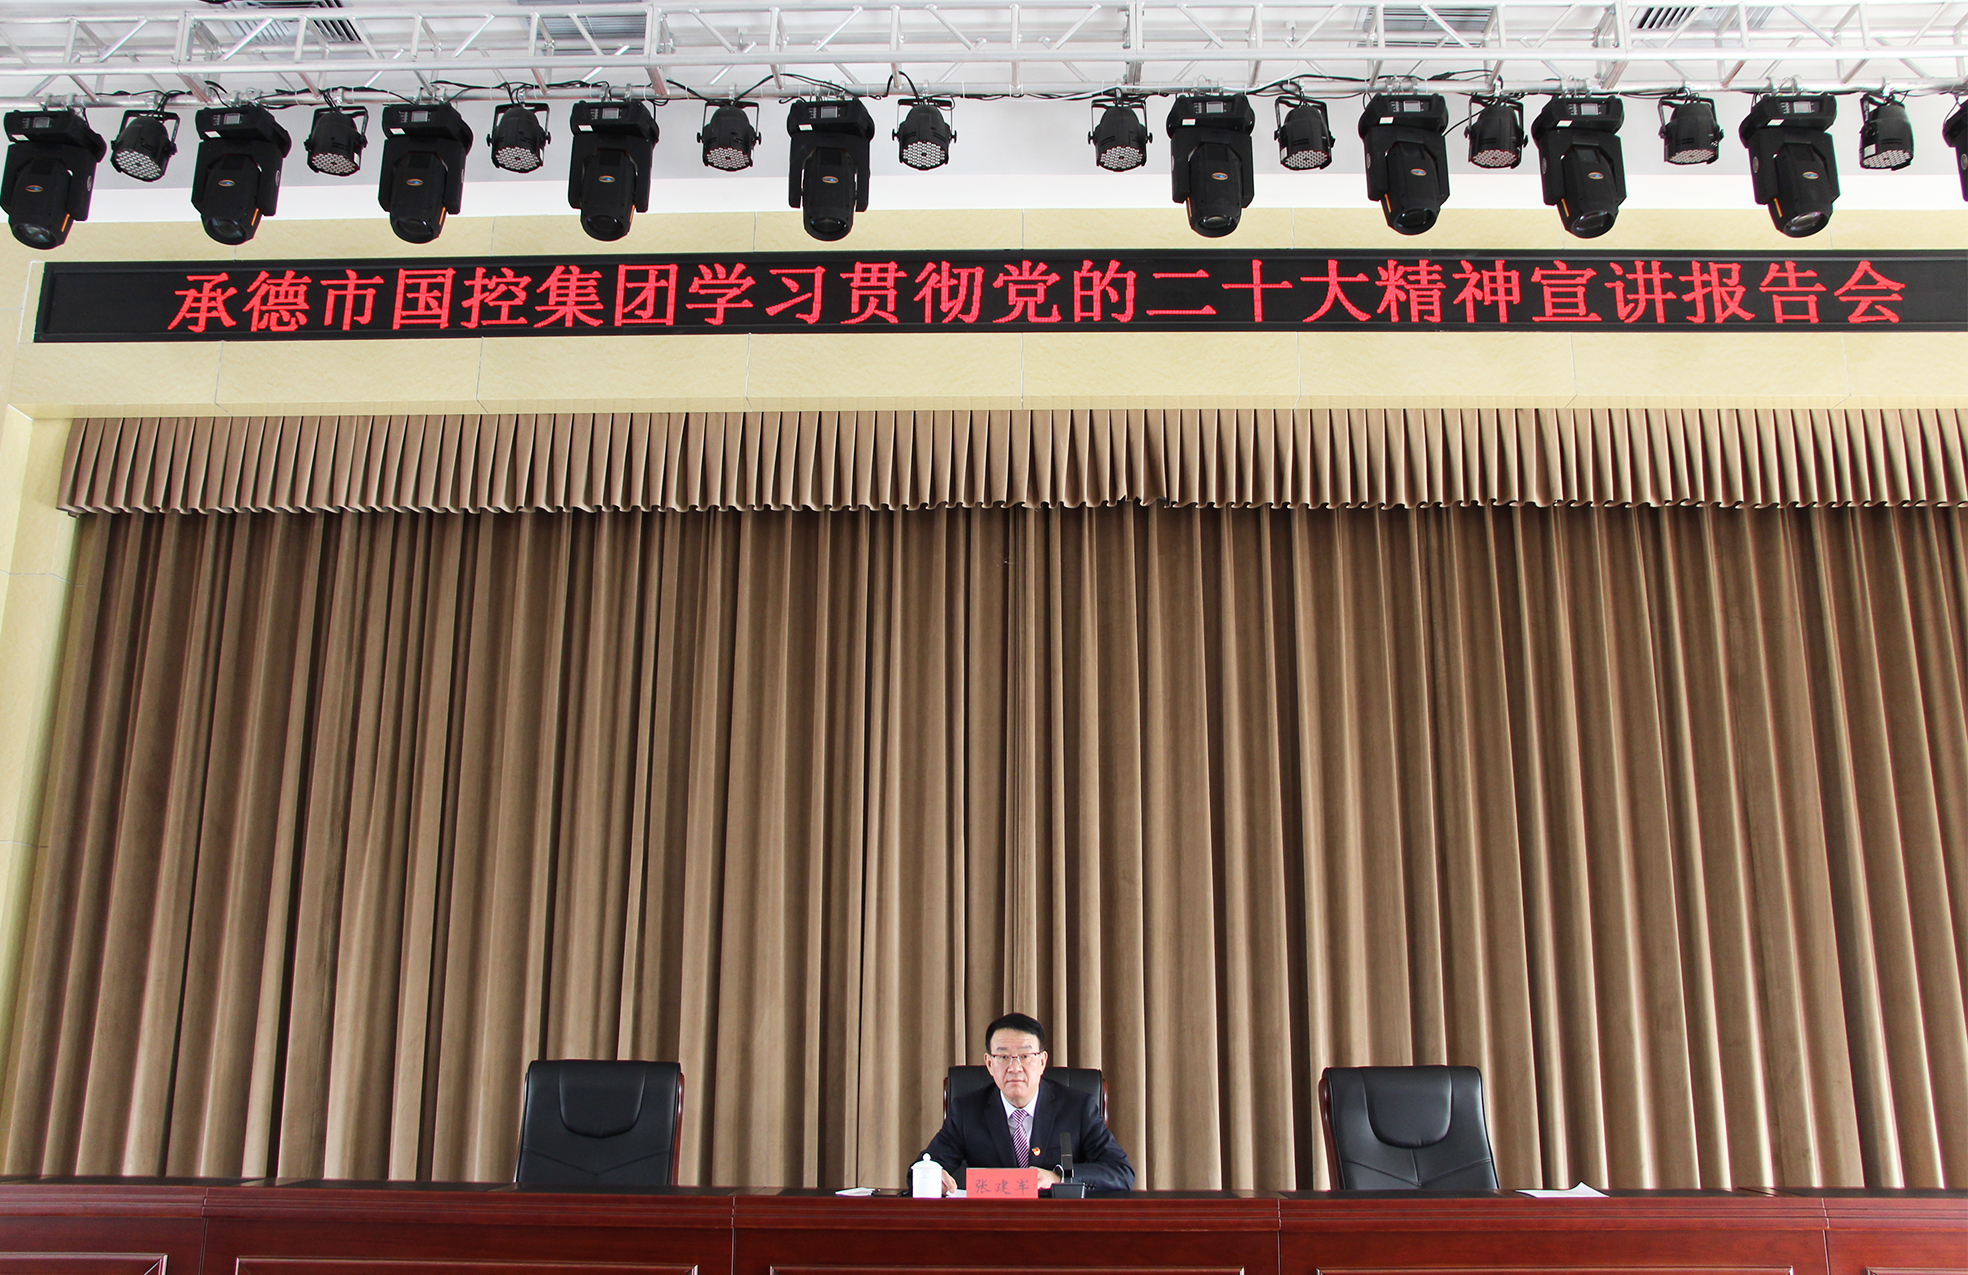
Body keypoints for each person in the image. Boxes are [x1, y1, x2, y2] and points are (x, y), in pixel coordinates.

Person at [918, 1012, 1134, 1193]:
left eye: (1025, 1056)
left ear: (1042, 1061)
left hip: (1057, 1223)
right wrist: (932, 1177)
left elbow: (1120, 1172)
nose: (1015, 1068)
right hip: (991, 1223)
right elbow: (922, 1168)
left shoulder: (1077, 1108)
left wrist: (1059, 1178)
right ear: (989, 1063)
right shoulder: (967, 1111)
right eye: (1003, 1057)